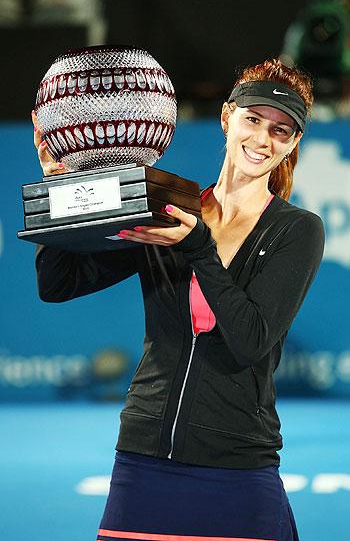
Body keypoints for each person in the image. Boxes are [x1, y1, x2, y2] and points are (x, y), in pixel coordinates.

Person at [32, 58, 324, 541]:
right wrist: (59, 184)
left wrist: (198, 250)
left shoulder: (297, 230)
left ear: (293, 144)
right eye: (253, 120)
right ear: (227, 118)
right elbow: (58, 284)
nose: (262, 139)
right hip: (143, 461)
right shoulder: (171, 209)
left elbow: (250, 339)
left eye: (281, 131)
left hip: (236, 465)